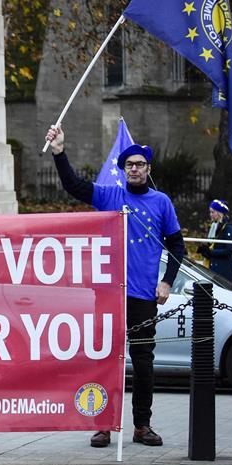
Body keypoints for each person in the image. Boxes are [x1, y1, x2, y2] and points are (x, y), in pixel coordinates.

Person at [46, 125, 184, 448]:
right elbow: (74, 186)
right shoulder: (110, 196)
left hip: (142, 297)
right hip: (108, 296)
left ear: (148, 169)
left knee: (143, 361)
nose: (134, 169)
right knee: (105, 360)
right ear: (123, 171)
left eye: (139, 165)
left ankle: (142, 425)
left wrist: (167, 282)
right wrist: (59, 152)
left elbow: (178, 247)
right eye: (129, 165)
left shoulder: (162, 202)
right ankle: (103, 425)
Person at [198, 199, 232, 283]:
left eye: (213, 212)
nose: (210, 215)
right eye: (210, 212)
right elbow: (212, 244)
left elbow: (228, 250)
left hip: (224, 269)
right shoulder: (214, 226)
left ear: (220, 213)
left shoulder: (228, 228)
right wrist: (204, 249)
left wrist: (210, 252)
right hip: (214, 267)